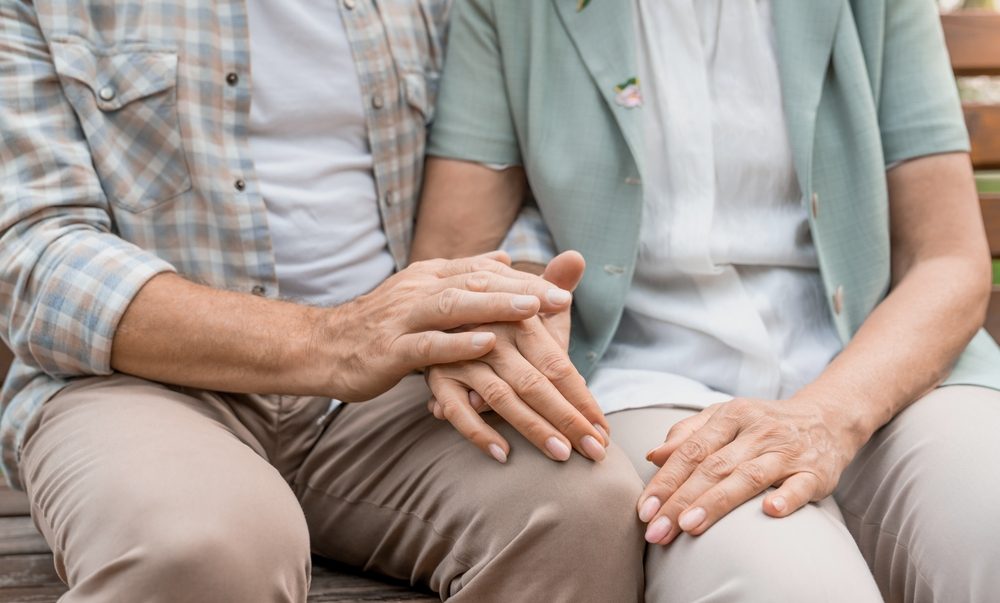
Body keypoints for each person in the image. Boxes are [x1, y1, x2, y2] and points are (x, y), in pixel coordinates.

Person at [0, 1, 646, 601]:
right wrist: (332, 340)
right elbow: (32, 258)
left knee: (584, 509)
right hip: (139, 384)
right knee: (200, 548)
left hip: (393, 388)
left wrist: (500, 304)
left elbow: (499, 174)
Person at [412, 0, 1000, 601]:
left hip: (879, 370)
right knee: (786, 586)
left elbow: (947, 257)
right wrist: (526, 302)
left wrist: (826, 416)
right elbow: (456, 254)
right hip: (649, 384)